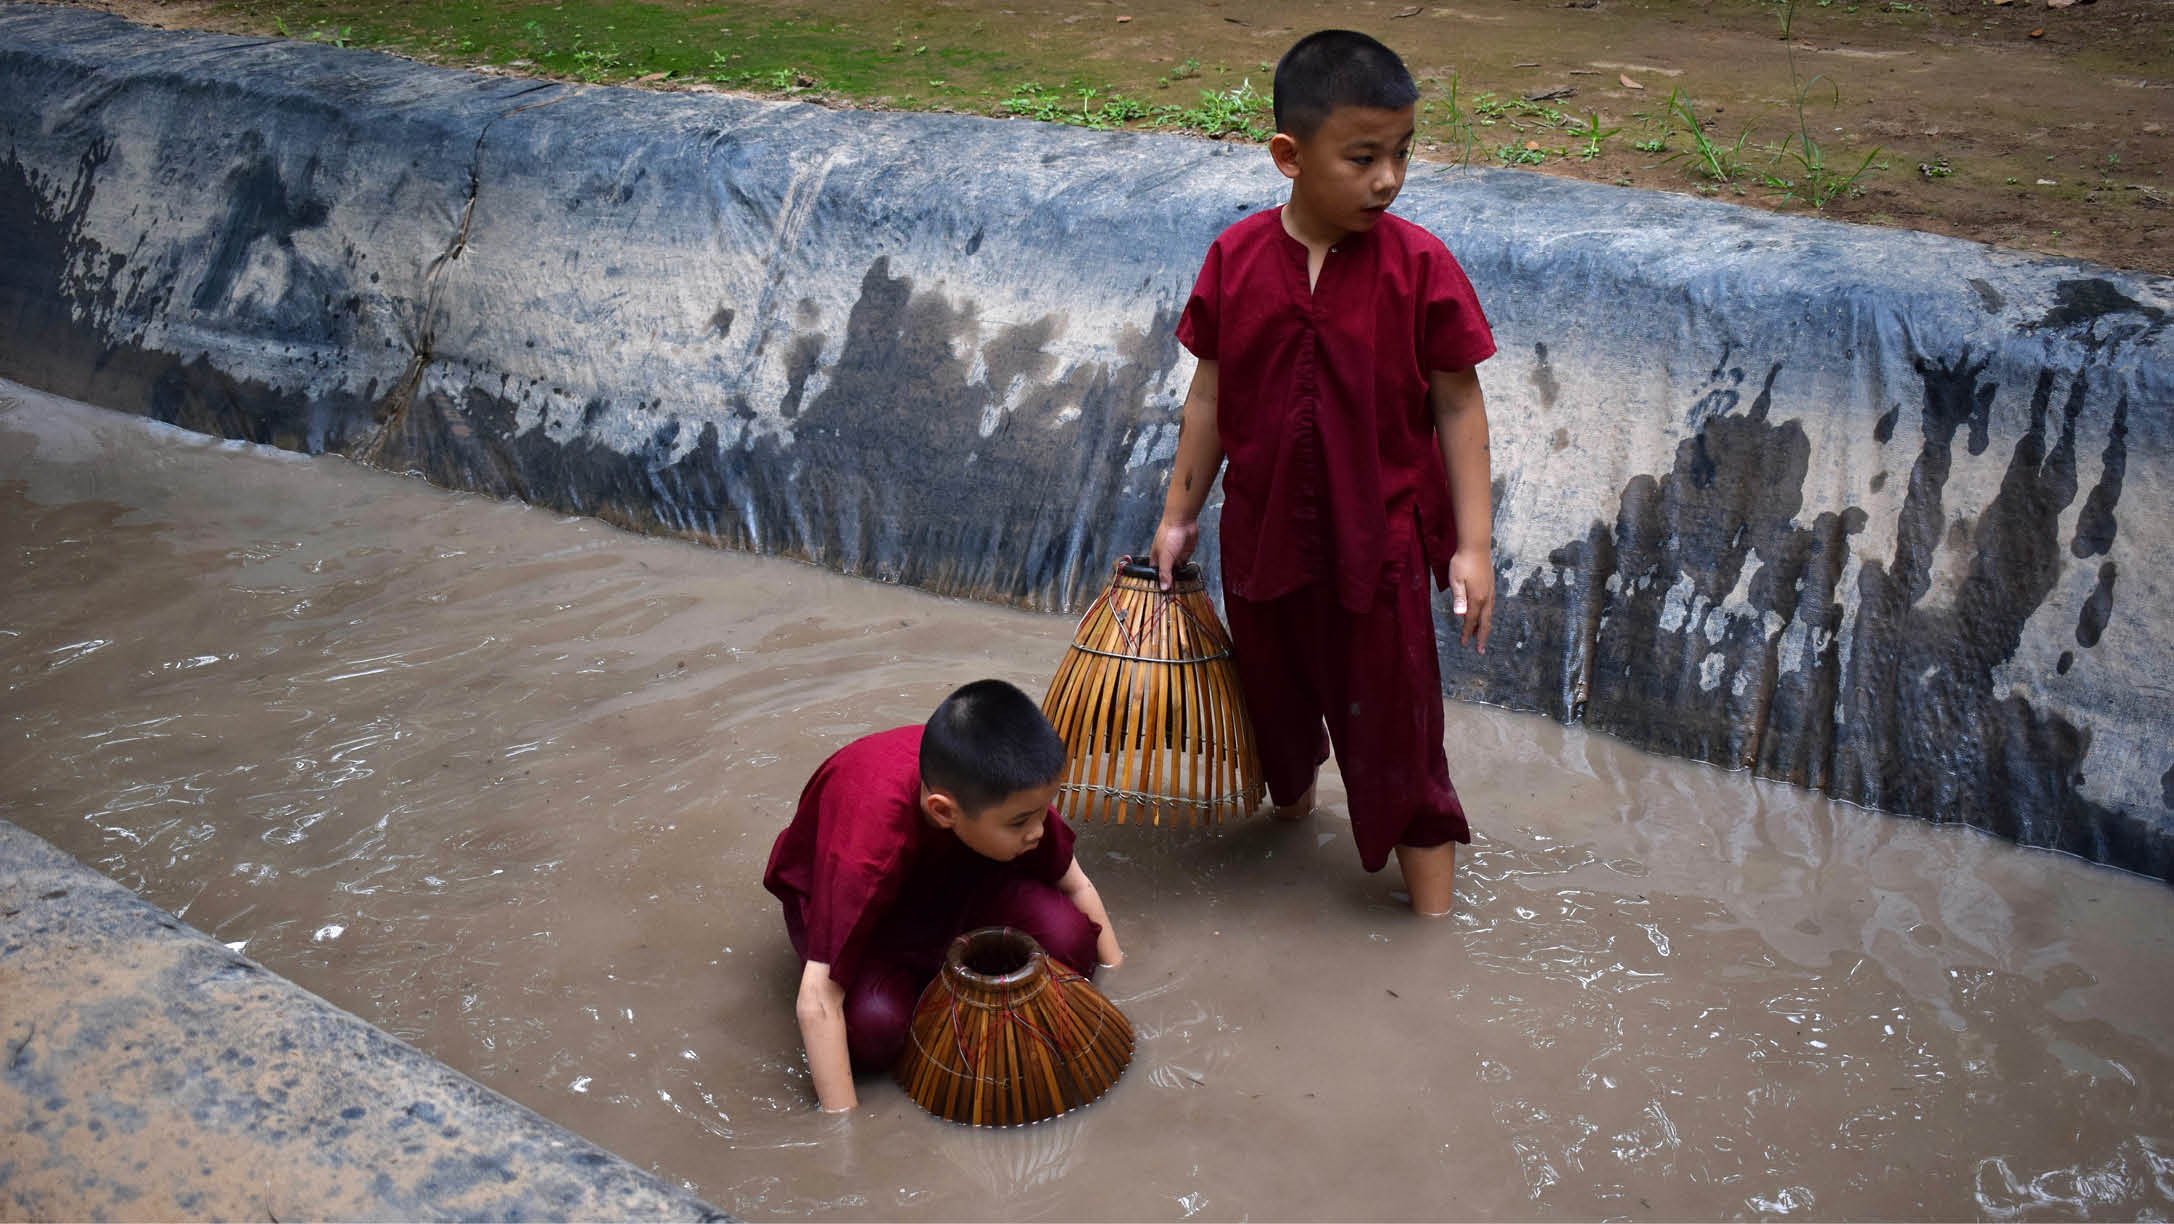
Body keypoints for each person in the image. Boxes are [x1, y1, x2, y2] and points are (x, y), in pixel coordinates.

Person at [1151, 29, 1498, 919]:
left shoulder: (1418, 267)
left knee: (1398, 732)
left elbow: (1459, 407)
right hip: (1262, 542)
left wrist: (1473, 548)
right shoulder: (1235, 259)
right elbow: (1209, 399)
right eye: (1364, 157)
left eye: (1402, 154)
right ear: (1288, 156)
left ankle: (1431, 930)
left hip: (1376, 553)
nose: (1390, 178)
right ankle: (1289, 836)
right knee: (1274, 709)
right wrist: (1178, 516)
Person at [762, 678, 1124, 1112]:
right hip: (873, 916)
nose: (1038, 831)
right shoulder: (868, 849)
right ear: (942, 811)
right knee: (874, 1031)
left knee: (1072, 943)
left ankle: (929, 979)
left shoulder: (1009, 795)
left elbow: (1077, 884)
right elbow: (818, 999)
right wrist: (846, 1140)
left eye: (1044, 810)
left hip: (957, 876)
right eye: (1020, 822)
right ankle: (918, 993)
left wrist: (1116, 981)